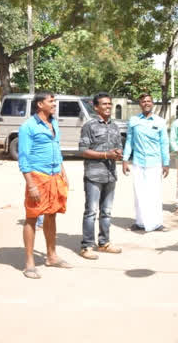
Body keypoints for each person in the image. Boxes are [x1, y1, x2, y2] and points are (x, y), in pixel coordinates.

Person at [18, 92, 72, 279]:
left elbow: (56, 148)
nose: (54, 104)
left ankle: (51, 256)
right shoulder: (28, 127)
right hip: (38, 176)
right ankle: (29, 263)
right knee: (32, 217)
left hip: (54, 175)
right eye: (51, 101)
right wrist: (30, 184)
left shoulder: (54, 123)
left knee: (52, 215)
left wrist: (63, 170)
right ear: (40, 104)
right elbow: (23, 157)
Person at [78, 92, 123, 260]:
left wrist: (118, 153)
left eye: (109, 104)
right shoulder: (89, 126)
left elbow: (118, 147)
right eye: (104, 104)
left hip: (111, 175)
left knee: (107, 211)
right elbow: (82, 150)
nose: (108, 107)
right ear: (96, 107)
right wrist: (106, 155)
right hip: (94, 175)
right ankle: (87, 246)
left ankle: (104, 243)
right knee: (91, 211)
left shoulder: (115, 126)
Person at [122, 93, 169, 232]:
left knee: (154, 193)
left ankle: (157, 223)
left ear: (152, 103)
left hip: (154, 163)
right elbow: (129, 141)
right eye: (143, 101)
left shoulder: (160, 121)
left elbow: (164, 143)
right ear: (140, 104)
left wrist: (166, 163)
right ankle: (140, 222)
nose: (146, 103)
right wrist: (125, 160)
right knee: (139, 192)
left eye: (149, 101)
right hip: (138, 162)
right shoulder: (134, 120)